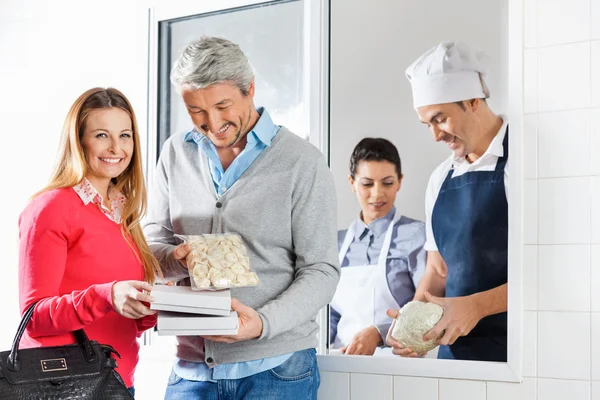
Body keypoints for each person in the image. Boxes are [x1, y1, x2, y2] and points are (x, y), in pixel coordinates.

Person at [143, 36, 339, 399]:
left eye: (222, 106)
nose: (211, 123)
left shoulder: (302, 162)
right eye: (196, 111)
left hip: (277, 370)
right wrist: (174, 258)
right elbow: (152, 242)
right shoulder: (175, 154)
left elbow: (321, 271)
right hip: (191, 371)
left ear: (250, 89)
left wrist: (261, 324)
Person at [18, 87, 161, 396]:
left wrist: (149, 306)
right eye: (101, 135)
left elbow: (118, 318)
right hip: (64, 387)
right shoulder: (51, 207)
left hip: (118, 383)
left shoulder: (122, 212)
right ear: (78, 141)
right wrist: (107, 294)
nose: (116, 147)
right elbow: (34, 317)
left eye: (125, 135)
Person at [386, 41, 509, 362]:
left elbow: (552, 272)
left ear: (472, 100)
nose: (435, 135)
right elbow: (438, 271)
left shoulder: (525, 163)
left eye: (440, 118)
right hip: (455, 354)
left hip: (519, 349)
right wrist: (410, 324)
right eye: (427, 124)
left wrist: (477, 306)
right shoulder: (440, 178)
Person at [329, 138, 426, 356]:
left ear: (400, 182)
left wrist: (379, 333)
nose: (377, 194)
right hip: (340, 361)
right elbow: (332, 315)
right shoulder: (336, 243)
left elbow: (426, 309)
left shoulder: (416, 236)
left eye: (387, 182)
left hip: (397, 361)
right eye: (367, 184)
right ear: (352, 183)